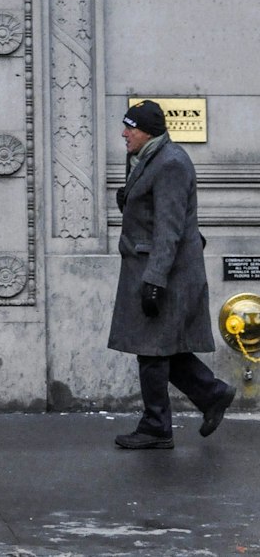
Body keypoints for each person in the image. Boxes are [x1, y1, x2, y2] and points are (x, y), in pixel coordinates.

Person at [109, 99, 235, 449]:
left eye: (130, 127)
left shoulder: (170, 163)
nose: (124, 133)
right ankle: (212, 394)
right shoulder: (149, 158)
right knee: (161, 348)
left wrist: (155, 281)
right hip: (153, 268)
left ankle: (156, 427)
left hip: (164, 272)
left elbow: (169, 228)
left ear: (147, 130)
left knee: (151, 351)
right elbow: (154, 213)